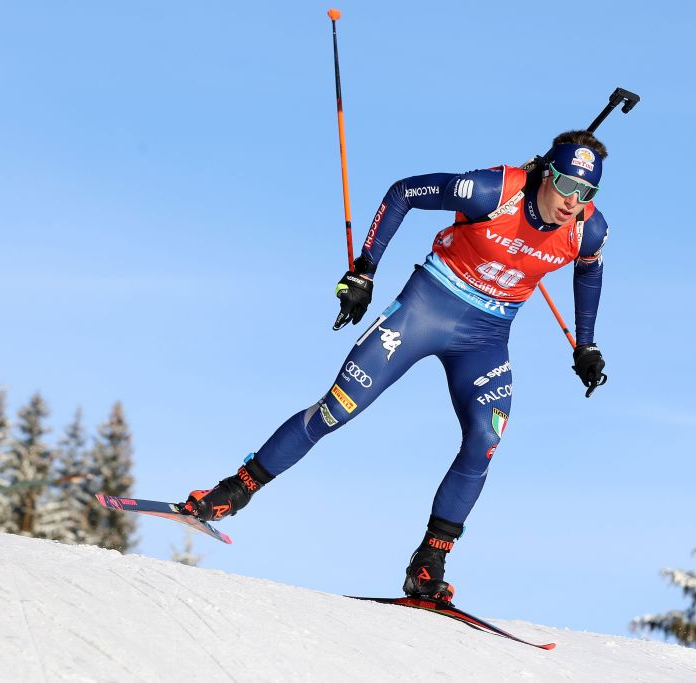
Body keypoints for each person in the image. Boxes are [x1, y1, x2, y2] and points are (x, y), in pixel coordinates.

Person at [182, 130, 611, 601]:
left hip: (486, 337)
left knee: (485, 439)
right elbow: (404, 192)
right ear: (545, 174)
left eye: (586, 191)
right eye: (567, 185)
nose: (574, 202)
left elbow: (589, 268)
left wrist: (585, 345)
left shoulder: (587, 227)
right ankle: (233, 490)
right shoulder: (491, 191)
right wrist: (365, 270)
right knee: (336, 410)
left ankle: (429, 561)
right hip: (426, 309)